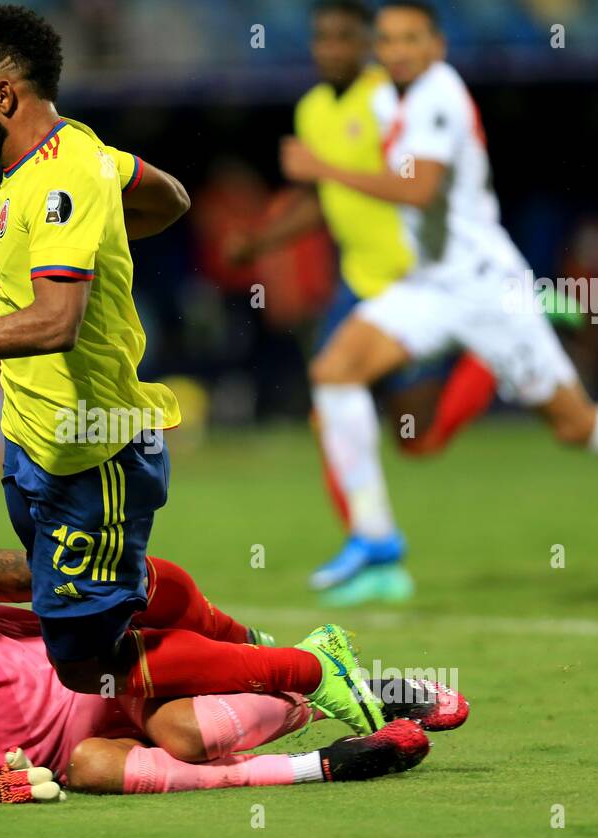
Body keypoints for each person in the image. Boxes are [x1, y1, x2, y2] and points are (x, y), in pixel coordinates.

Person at [0, 4, 399, 735]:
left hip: (95, 452)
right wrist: (101, 233)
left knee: (88, 662)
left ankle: (310, 670)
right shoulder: (61, 161)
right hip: (35, 444)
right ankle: (251, 645)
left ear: (4, 96)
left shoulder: (65, 177)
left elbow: (57, 322)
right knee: (73, 583)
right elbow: (172, 197)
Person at [279, 0, 598, 583]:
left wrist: (323, 168)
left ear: (437, 47)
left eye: (411, 39)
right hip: (429, 286)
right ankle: (375, 534)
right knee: (334, 370)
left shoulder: (440, 95)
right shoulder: (383, 100)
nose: (398, 50)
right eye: (389, 40)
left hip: (486, 289)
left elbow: (419, 189)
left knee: (575, 424)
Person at [0, 524, 462, 802]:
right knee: (152, 748)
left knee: (121, 579)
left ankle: (314, 674)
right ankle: (329, 743)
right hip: (77, 746)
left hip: (104, 657)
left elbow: (37, 577)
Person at [226, 0, 497, 600]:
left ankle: (489, 353)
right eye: (322, 39)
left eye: (345, 39)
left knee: (417, 440)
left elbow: (416, 186)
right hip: (358, 284)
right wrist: (262, 239)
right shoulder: (314, 108)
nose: (330, 50)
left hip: (414, 281)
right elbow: (321, 197)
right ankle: (374, 554)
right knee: (329, 408)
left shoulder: (392, 103)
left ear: (369, 44)